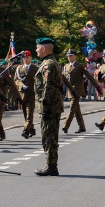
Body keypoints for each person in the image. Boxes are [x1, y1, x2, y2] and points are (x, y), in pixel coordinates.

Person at [34, 37, 64, 177]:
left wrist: (45, 106)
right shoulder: (49, 63)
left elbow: (48, 88)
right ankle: (50, 165)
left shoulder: (48, 65)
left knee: (49, 137)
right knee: (48, 136)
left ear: (44, 48)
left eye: (38, 47)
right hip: (52, 106)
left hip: (50, 107)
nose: (36, 50)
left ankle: (51, 166)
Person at [61, 49, 101, 133]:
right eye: (68, 56)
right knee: (76, 110)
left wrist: (97, 86)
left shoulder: (79, 66)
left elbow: (88, 76)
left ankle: (65, 126)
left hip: (77, 90)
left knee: (72, 108)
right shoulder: (66, 66)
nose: (69, 57)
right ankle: (82, 127)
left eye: (71, 56)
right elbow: (64, 79)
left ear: (75, 56)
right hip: (70, 90)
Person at [13, 52, 39, 138]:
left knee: (29, 113)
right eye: (24, 58)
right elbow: (16, 80)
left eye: (27, 57)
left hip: (32, 94)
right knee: (25, 114)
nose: (25, 59)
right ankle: (32, 130)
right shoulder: (19, 68)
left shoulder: (35, 68)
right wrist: (22, 86)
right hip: (23, 94)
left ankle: (25, 130)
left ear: (31, 58)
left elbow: (39, 81)